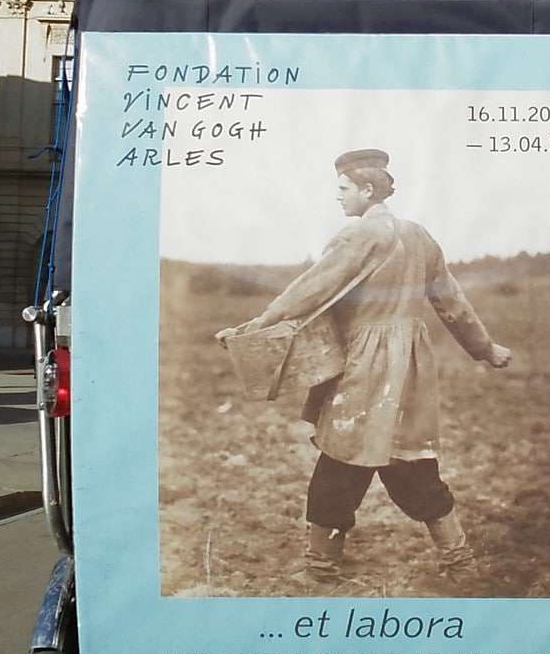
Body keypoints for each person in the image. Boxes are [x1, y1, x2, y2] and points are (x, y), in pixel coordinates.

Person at [217, 149, 513, 586]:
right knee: (411, 461)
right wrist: (486, 349)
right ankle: (459, 560)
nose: (338, 198)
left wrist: (256, 325)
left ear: (367, 190)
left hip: (365, 367)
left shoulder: (357, 236)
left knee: (341, 462)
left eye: (343, 189)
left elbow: (309, 290)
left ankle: (321, 566)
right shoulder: (420, 237)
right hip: (410, 369)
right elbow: (452, 304)